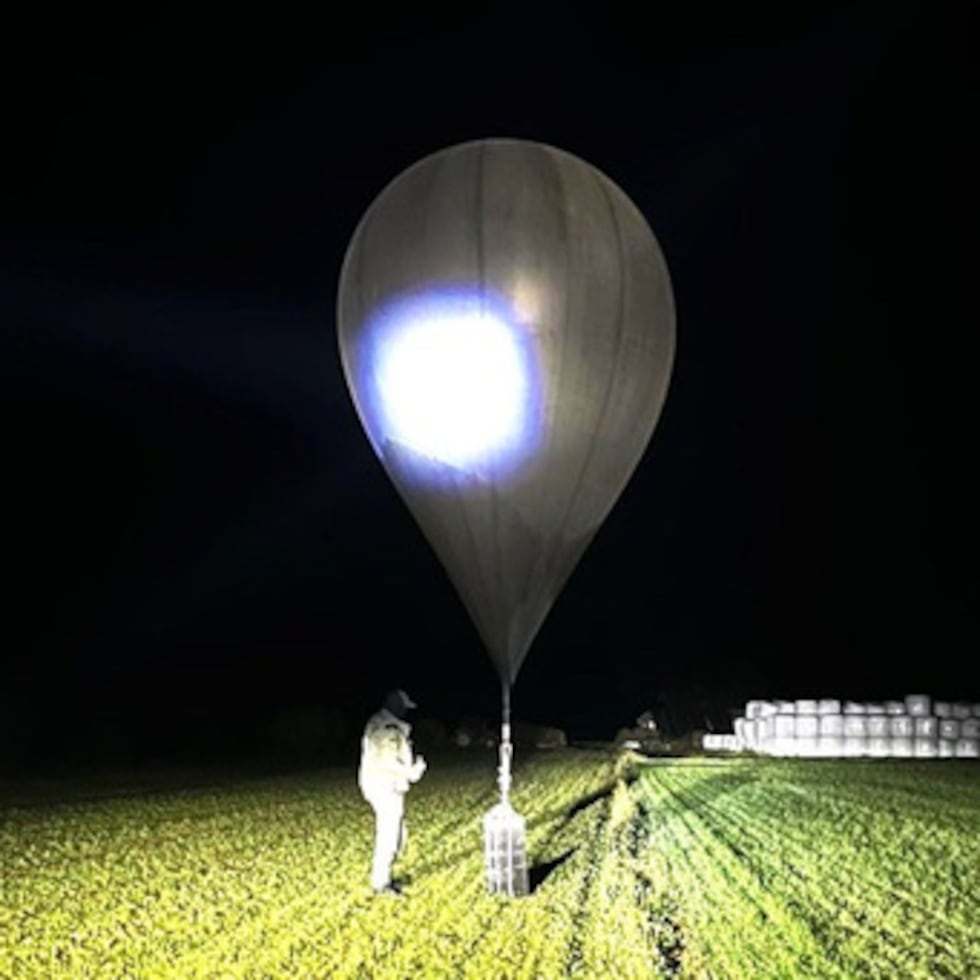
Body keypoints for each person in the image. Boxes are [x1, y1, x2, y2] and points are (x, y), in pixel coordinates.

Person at [358, 688, 427, 895]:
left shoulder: (381, 722)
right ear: (394, 705)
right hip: (385, 785)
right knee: (389, 833)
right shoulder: (388, 727)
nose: (405, 712)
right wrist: (413, 772)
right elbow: (388, 760)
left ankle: (385, 876)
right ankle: (381, 883)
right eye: (403, 707)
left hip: (382, 784)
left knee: (397, 833)